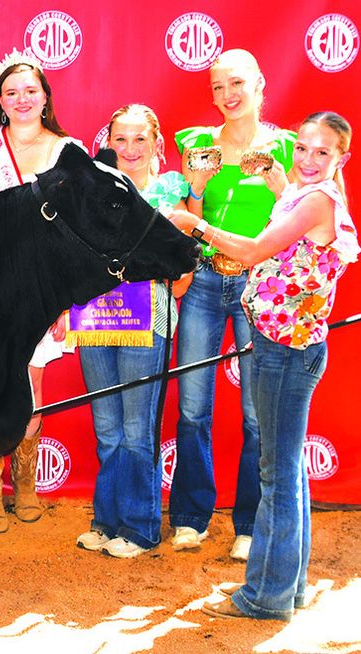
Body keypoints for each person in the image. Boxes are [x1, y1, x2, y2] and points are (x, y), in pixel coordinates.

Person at [169, 112, 355, 621]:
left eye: (323, 152)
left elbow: (253, 251)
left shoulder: (317, 198)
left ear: (342, 158)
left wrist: (197, 224)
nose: (309, 159)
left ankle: (265, 596)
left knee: (277, 476)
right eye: (304, 148)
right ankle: (287, 588)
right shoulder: (301, 193)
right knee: (288, 470)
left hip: (287, 351)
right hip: (286, 346)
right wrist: (281, 187)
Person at [170, 49, 295, 560]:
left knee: (255, 414)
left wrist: (281, 186)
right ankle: (190, 518)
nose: (228, 95)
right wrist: (194, 192)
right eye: (218, 87)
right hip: (202, 280)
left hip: (259, 286)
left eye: (237, 83)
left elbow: (300, 219)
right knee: (192, 406)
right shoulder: (196, 143)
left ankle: (249, 523)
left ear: (261, 83)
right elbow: (184, 219)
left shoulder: (289, 148)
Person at [0, 48, 83, 535]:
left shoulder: (67, 151)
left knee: (29, 391)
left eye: (31, 91)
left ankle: (23, 486)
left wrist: (66, 298)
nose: (22, 99)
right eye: (12, 92)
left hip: (40, 288)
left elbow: (76, 231)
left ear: (46, 97)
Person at [73, 105, 191, 558]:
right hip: (98, 319)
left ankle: (140, 528)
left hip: (150, 319)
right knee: (107, 428)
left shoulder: (169, 190)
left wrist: (166, 274)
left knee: (137, 428)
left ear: (156, 142)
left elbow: (183, 263)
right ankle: (107, 521)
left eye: (139, 139)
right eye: (120, 139)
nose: (129, 149)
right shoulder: (93, 192)